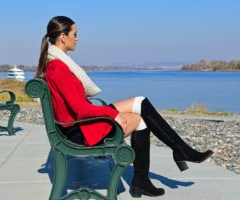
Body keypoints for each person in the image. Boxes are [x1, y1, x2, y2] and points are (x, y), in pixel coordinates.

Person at [36, 16, 213, 198]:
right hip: (79, 130)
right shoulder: (58, 67)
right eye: (75, 33)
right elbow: (80, 109)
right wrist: (112, 114)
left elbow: (76, 104)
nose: (78, 38)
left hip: (78, 122)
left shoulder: (58, 63)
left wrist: (110, 112)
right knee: (141, 120)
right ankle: (148, 176)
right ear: (63, 37)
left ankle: (178, 151)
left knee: (141, 102)